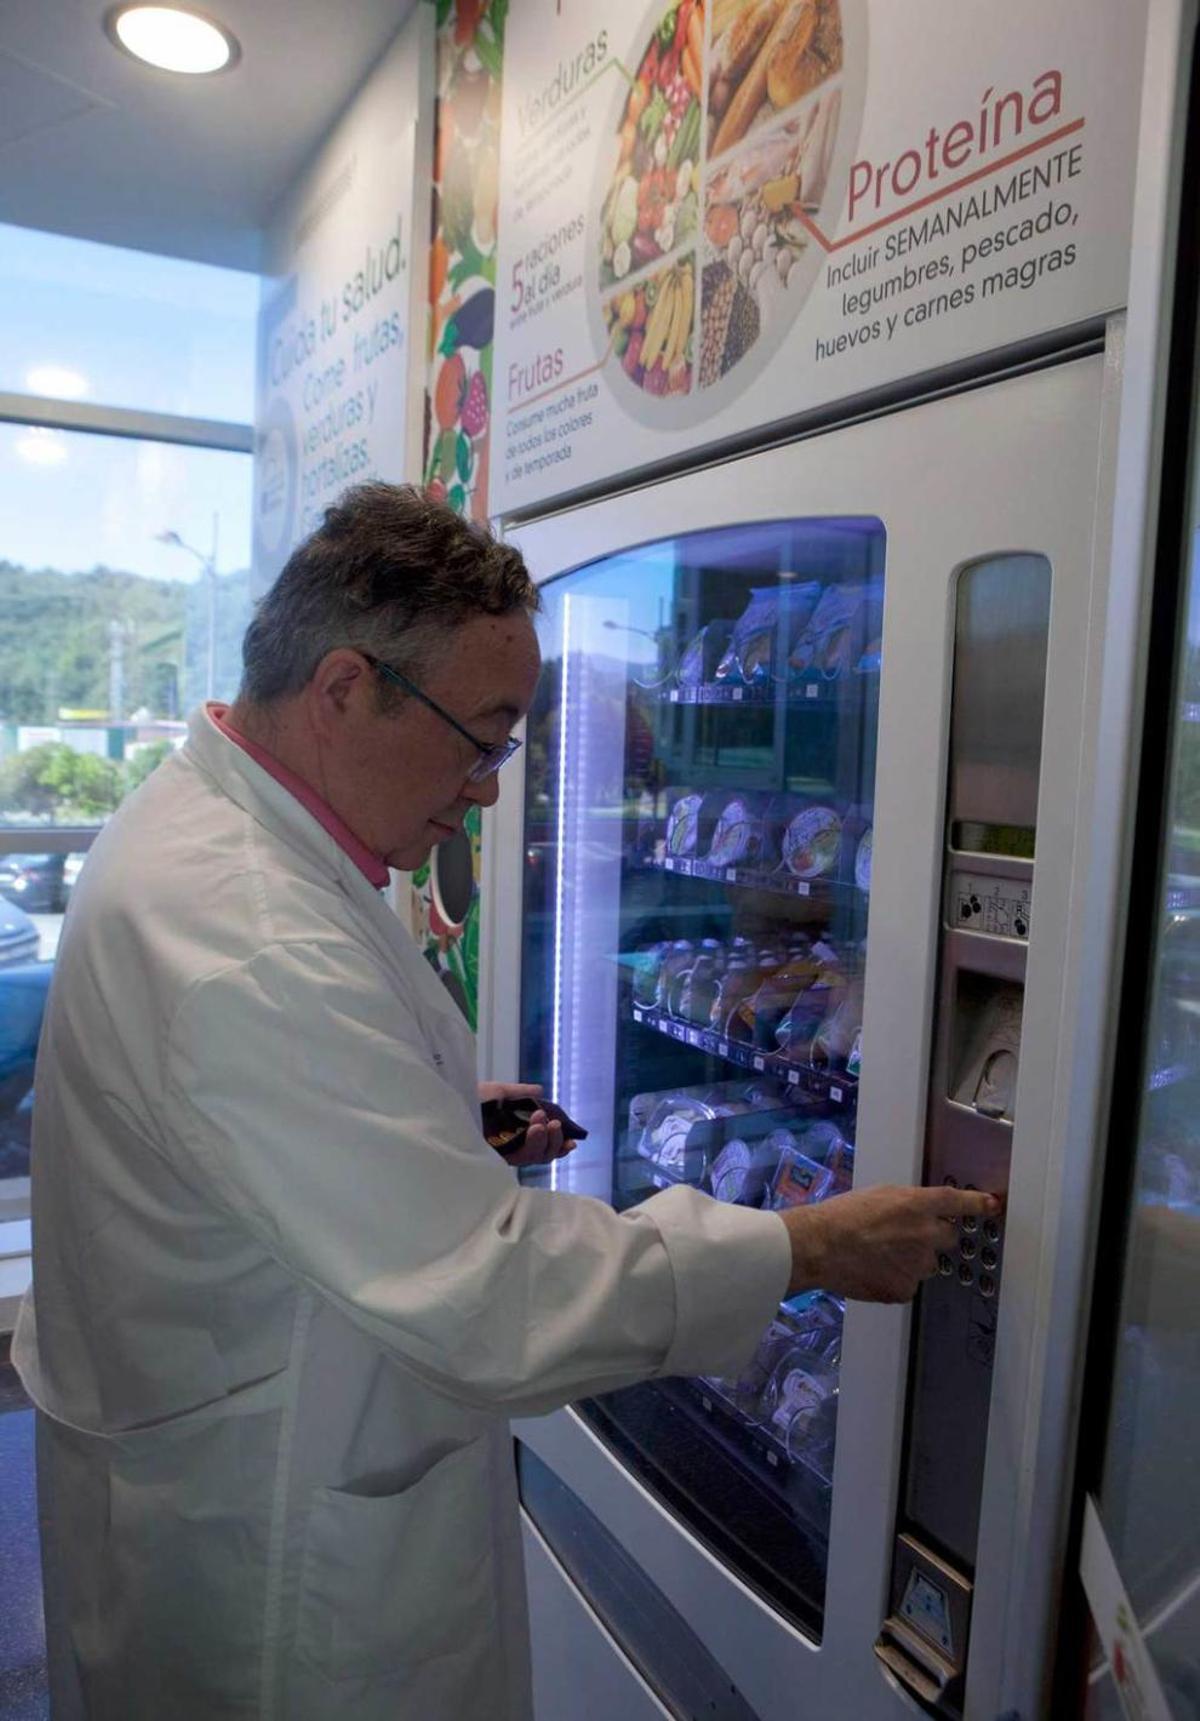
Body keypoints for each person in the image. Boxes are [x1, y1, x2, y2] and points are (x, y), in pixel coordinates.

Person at [14, 484, 997, 1721]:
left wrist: (427, 1117)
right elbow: (488, 1296)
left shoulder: (217, 827)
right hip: (278, 1556)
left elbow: (256, 1118)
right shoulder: (248, 933)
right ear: (342, 689)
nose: (488, 790)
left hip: (232, 1435)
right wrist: (806, 1243)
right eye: (481, 736)